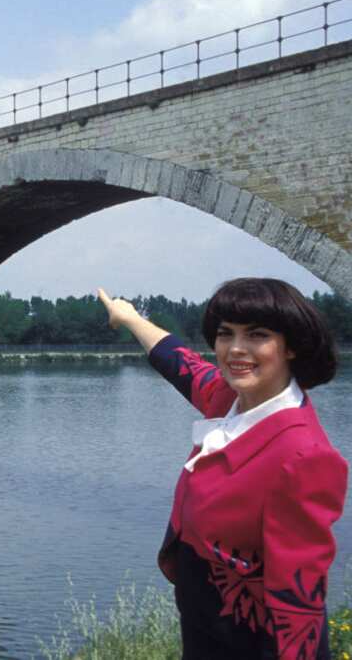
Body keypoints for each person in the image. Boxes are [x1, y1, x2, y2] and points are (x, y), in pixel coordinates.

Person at [98, 278, 347, 660]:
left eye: (257, 335)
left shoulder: (303, 457)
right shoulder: (230, 397)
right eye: (224, 334)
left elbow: (299, 607)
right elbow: (180, 362)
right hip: (203, 633)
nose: (235, 349)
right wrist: (130, 318)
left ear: (292, 346)